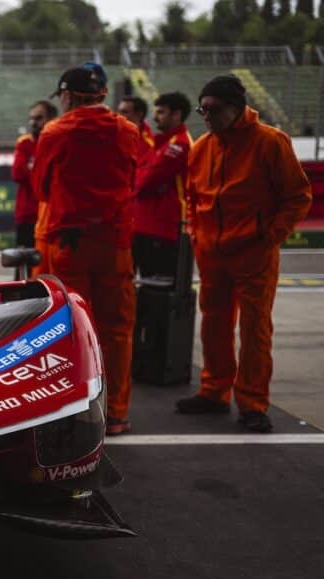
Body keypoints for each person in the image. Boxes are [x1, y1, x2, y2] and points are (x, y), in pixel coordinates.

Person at [177, 75, 312, 433]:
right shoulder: (202, 147)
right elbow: (193, 196)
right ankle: (213, 391)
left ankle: (252, 403)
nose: (205, 116)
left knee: (254, 330)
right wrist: (198, 236)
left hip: (254, 253)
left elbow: (298, 196)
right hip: (212, 254)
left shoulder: (270, 142)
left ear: (236, 108)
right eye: (202, 109)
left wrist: (269, 237)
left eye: (213, 109)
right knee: (214, 324)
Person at [31, 65, 140, 435]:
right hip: (115, 243)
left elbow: (41, 187)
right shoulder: (128, 130)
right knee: (118, 328)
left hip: (70, 244)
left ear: (67, 95)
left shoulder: (55, 132)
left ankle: (72, 410)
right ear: (103, 94)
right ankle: (118, 412)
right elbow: (133, 179)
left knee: (68, 329)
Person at [132, 92, 194, 279]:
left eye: (161, 112)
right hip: (151, 225)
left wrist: (138, 180)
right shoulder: (163, 143)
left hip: (165, 227)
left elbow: (144, 182)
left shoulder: (179, 145)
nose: (155, 117)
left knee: (159, 288)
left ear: (176, 115)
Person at [11, 100, 58, 248]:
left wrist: (33, 170)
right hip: (28, 214)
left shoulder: (59, 141)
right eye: (31, 118)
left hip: (53, 216)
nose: (33, 122)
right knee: (23, 264)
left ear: (51, 119)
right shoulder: (24, 143)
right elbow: (18, 173)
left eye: (38, 118)